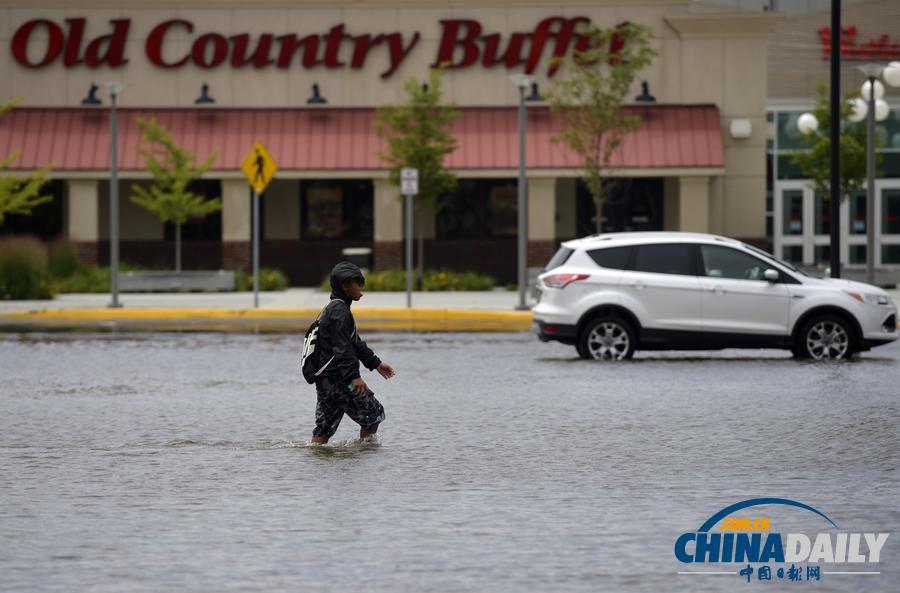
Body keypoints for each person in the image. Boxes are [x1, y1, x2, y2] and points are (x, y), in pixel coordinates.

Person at [310, 261, 395, 444]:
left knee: (324, 430)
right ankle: (364, 454)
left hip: (326, 380)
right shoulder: (339, 312)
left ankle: (317, 465)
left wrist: (376, 363)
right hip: (341, 380)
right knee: (374, 415)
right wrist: (353, 377)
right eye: (358, 283)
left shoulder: (334, 308)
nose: (361, 287)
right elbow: (343, 349)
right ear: (345, 286)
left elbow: (353, 342)